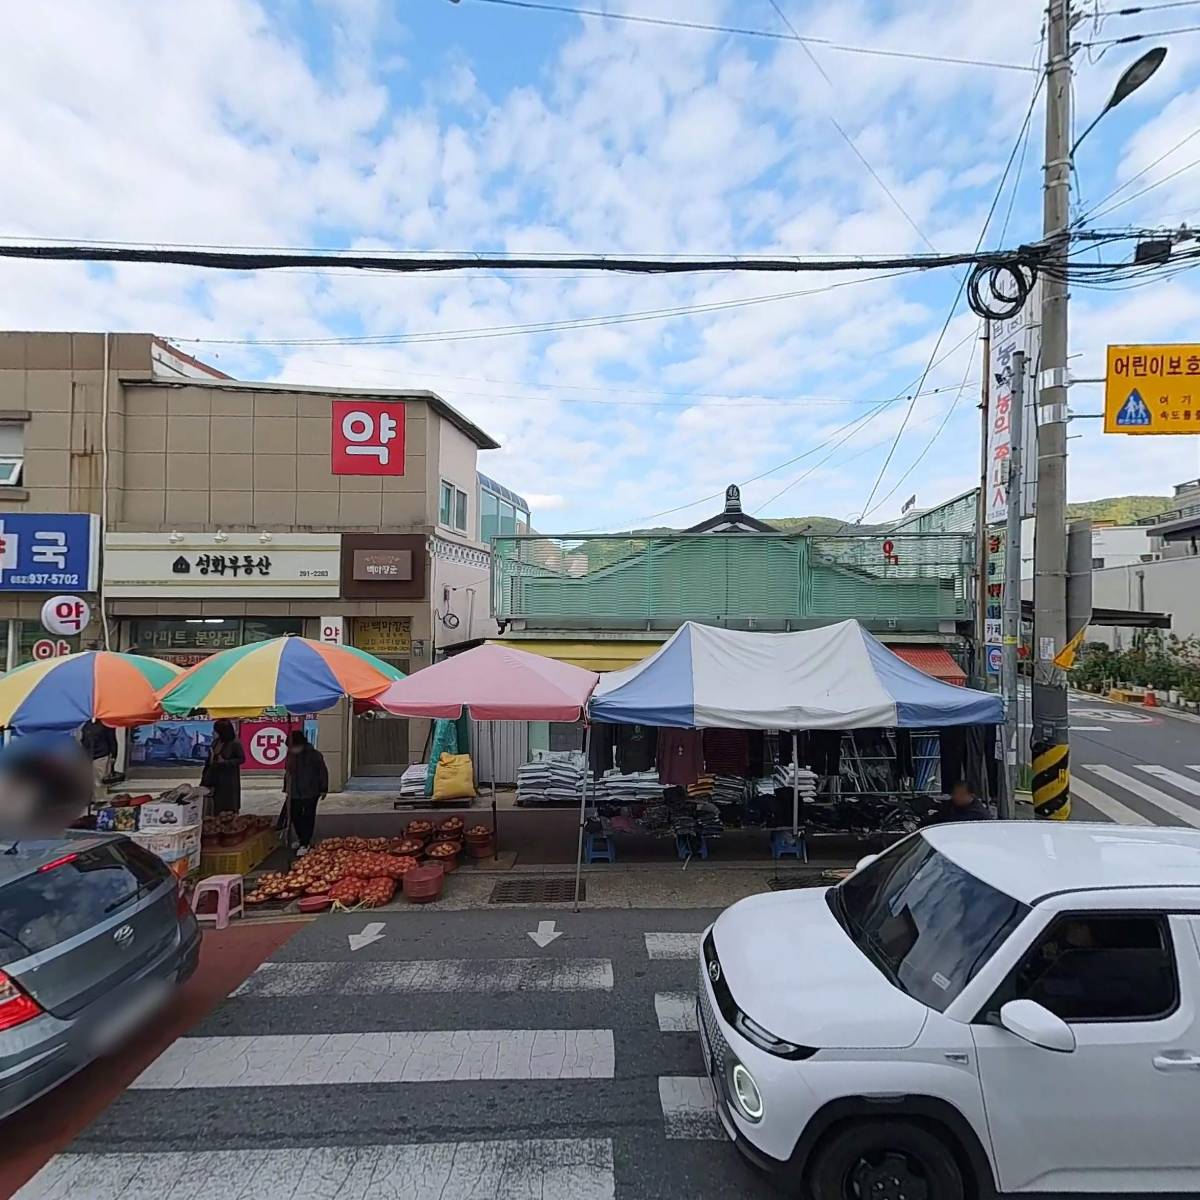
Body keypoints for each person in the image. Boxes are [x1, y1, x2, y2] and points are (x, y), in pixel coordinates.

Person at [282, 730, 328, 856]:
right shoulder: (290, 756)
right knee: (295, 816)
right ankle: (301, 838)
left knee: (308, 817)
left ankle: (305, 842)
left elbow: (322, 772)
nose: (292, 749)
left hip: (311, 791)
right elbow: (288, 773)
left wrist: (324, 788)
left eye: (293, 746)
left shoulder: (314, 755)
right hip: (294, 791)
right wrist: (286, 788)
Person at [202, 719, 245, 815]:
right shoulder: (216, 742)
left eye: (216, 730)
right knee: (214, 805)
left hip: (228, 780)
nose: (213, 732)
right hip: (214, 778)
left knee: (227, 806)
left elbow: (241, 759)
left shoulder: (235, 743)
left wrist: (225, 762)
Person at [927, 780, 994, 824]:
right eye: (955, 793)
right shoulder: (952, 804)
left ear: (971, 795)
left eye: (961, 794)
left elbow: (952, 820)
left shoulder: (979, 814)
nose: (957, 797)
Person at [80, 719, 118, 790]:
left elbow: (112, 741)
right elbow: (83, 740)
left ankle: (101, 799)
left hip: (101, 755)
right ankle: (90, 799)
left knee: (99, 781)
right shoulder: (86, 725)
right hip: (87, 756)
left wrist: (114, 755)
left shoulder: (106, 724)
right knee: (86, 780)